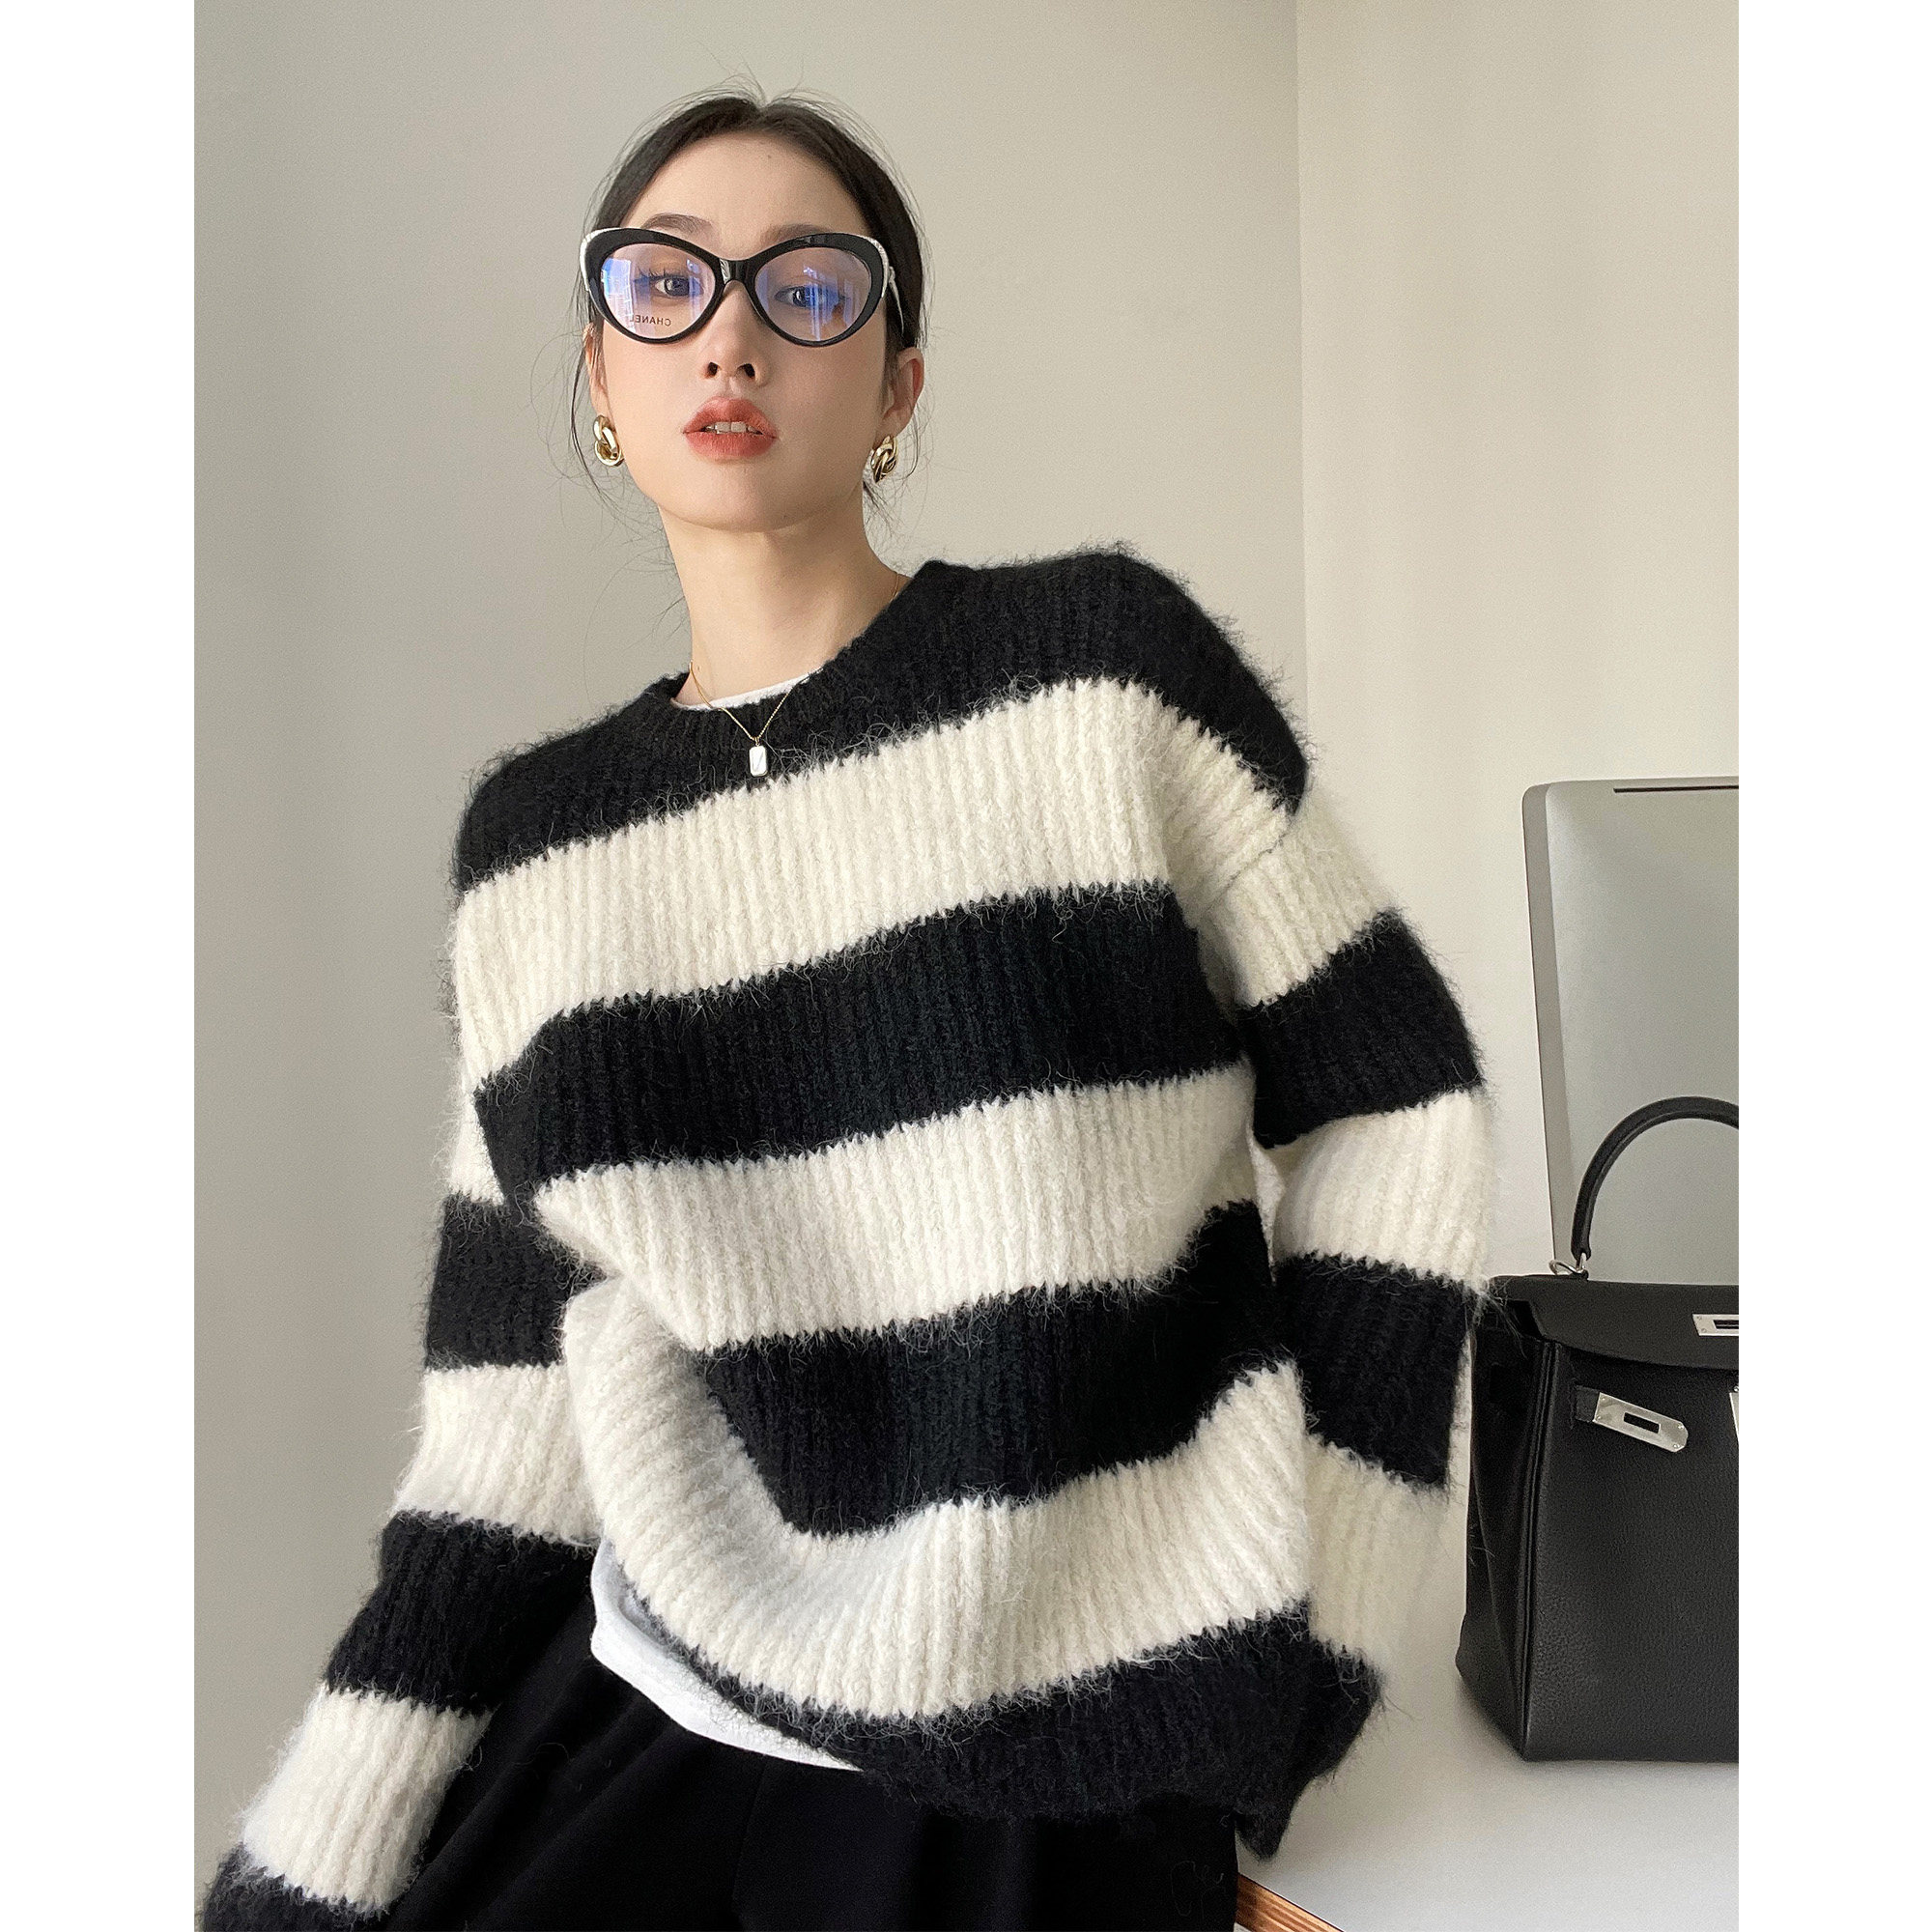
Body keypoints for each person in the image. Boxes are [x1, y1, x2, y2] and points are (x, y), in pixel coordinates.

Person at [202, 83, 1496, 1932]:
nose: (729, 334)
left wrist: (1327, 1621)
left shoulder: (1103, 678)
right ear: (601, 378)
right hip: (651, 1702)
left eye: (808, 287)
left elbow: (1397, 1102)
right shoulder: (537, 852)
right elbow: (510, 1417)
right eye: (665, 283)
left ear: (897, 385)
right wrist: (306, 1865)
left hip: (1056, 1746)